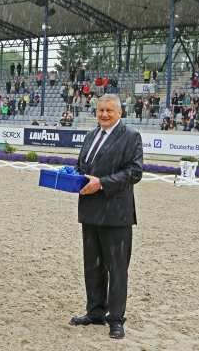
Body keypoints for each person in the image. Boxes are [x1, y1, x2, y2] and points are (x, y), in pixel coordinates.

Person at [70, 94, 143, 340]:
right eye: (100, 110)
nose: (103, 114)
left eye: (109, 111)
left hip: (116, 214)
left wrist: (102, 184)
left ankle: (116, 318)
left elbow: (134, 172)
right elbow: (82, 166)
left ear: (119, 113)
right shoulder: (91, 136)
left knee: (117, 268)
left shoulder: (131, 136)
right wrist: (72, 176)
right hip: (90, 211)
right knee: (92, 266)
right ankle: (95, 312)